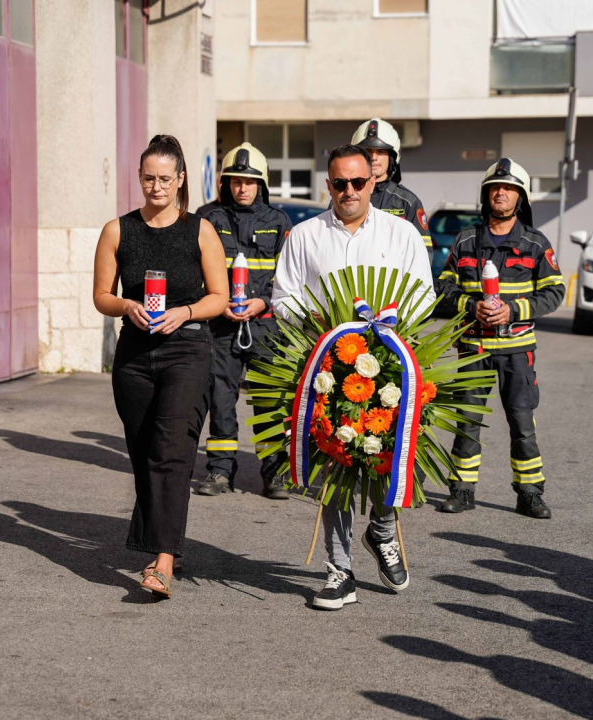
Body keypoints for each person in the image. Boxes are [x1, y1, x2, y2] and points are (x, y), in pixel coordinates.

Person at [271, 144, 435, 611]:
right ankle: (339, 570)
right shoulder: (304, 235)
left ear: (373, 183)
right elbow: (283, 297)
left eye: (358, 182)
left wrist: (387, 323)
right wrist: (324, 319)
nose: (349, 191)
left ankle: (382, 532)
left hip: (390, 361)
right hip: (326, 365)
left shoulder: (401, 233)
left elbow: (423, 296)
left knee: (391, 455)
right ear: (328, 185)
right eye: (339, 183)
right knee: (336, 462)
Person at [92, 135, 229, 599]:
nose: (156, 186)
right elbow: (101, 297)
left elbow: (220, 297)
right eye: (148, 178)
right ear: (139, 179)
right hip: (134, 354)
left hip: (186, 351)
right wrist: (126, 306)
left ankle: (163, 561)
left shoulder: (200, 231)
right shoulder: (118, 230)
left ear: (181, 180)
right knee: (144, 453)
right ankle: (157, 539)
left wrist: (185, 312)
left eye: (165, 179)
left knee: (172, 453)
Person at [435, 157, 565, 519]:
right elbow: (443, 287)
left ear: (520, 197)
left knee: (522, 423)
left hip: (517, 350)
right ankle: (461, 491)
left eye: (508, 188)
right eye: (495, 188)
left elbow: (555, 293)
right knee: (467, 422)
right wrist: (469, 305)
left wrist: (514, 310)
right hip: (473, 348)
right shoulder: (465, 240)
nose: (501, 193)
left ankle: (529, 494)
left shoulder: (535, 243)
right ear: (486, 194)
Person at [197, 143, 294, 500]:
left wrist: (263, 301)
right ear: (226, 183)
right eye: (236, 181)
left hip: (266, 325)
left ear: (261, 184)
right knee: (221, 398)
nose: (242, 188)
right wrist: (216, 303)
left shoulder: (279, 222)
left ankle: (274, 474)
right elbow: (197, 271)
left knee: (270, 400)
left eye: (249, 182)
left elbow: (289, 275)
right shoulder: (208, 218)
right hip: (221, 325)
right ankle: (220, 471)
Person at [350, 118, 432, 261]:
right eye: (368, 151)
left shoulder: (408, 203)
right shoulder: (344, 197)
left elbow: (423, 255)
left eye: (381, 151)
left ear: (392, 157)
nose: (374, 157)